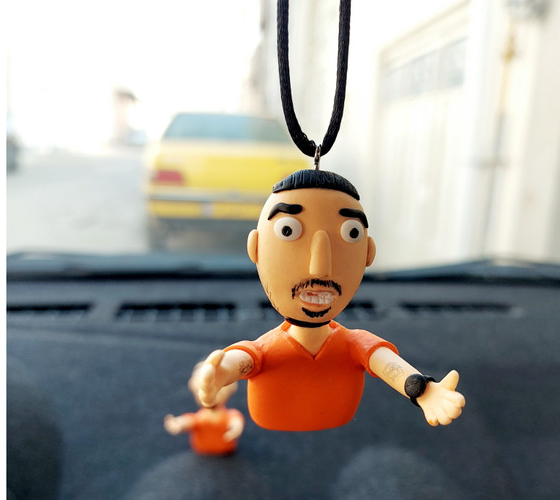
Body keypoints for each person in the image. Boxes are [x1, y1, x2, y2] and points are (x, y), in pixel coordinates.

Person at [195, 169, 465, 431]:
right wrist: (223, 372)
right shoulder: (269, 348)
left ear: (368, 254)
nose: (319, 268)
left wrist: (423, 390)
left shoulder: (354, 343)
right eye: (287, 230)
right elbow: (245, 359)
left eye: (352, 233)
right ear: (255, 247)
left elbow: (389, 366)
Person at [164, 361, 245, 455]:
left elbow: (236, 420)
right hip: (201, 454)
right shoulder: (199, 417)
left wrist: (236, 427)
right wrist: (178, 423)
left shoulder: (230, 415)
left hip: (226, 454)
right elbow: (189, 421)